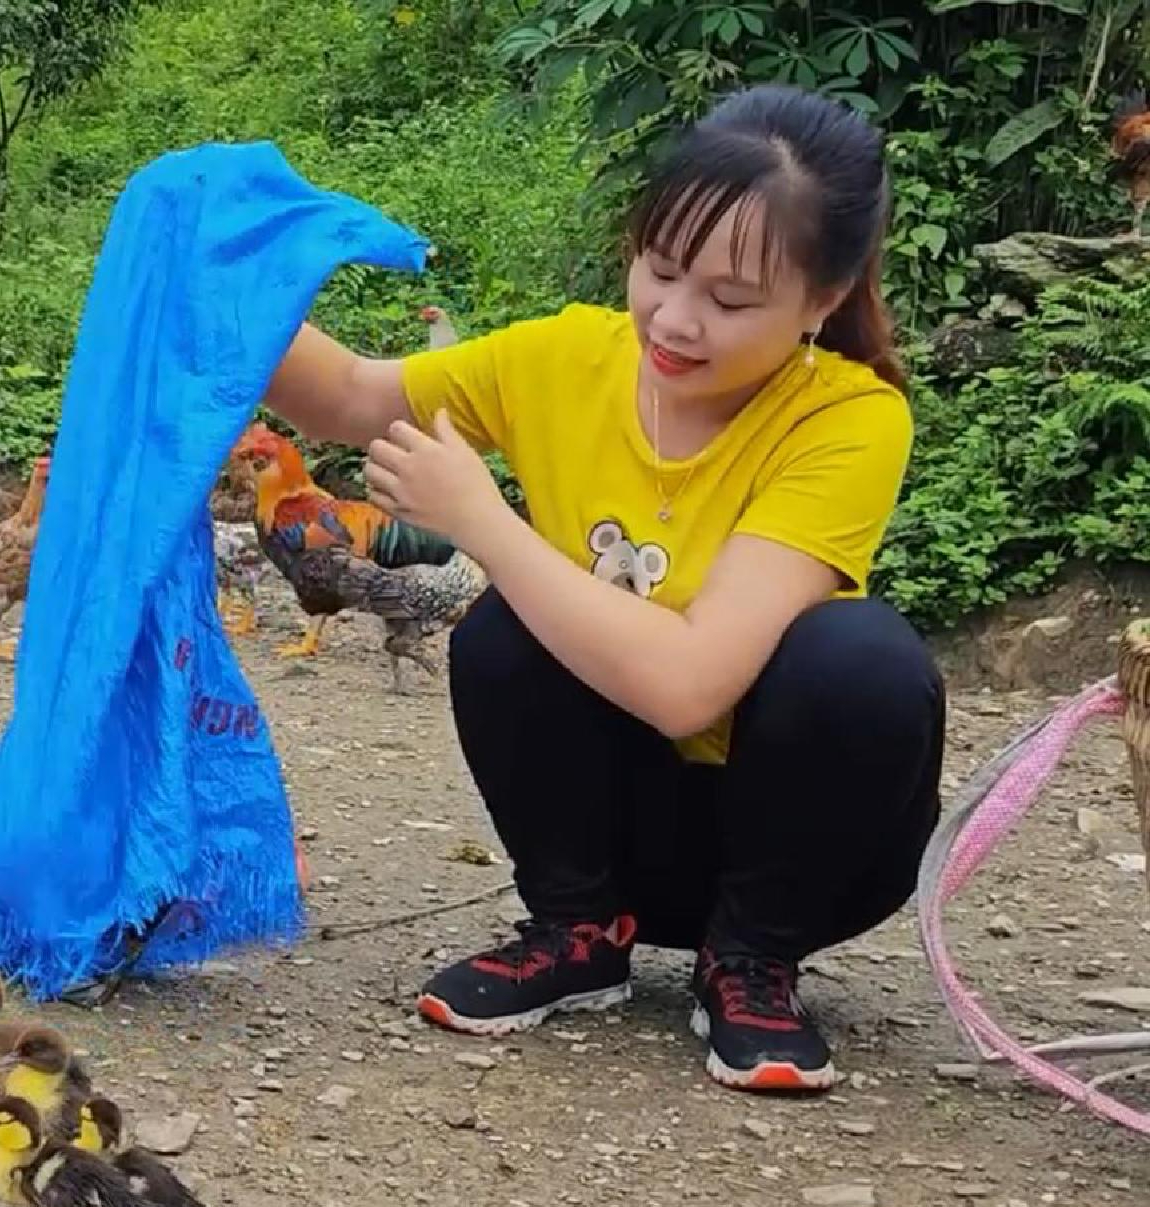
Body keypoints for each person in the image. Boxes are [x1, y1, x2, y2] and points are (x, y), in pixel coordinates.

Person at [262, 85, 944, 1094]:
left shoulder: (848, 418)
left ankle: (750, 961)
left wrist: (482, 521)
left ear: (823, 300)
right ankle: (578, 931)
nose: (675, 318)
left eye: (730, 299)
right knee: (506, 635)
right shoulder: (571, 357)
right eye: (660, 270)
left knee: (862, 660)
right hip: (624, 838)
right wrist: (209, 277)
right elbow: (354, 395)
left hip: (797, 853)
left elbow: (687, 688)